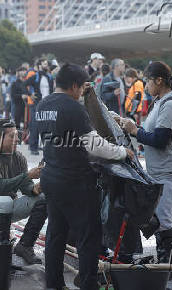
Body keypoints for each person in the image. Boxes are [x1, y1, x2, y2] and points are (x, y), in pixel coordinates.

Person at [34, 63, 133, 290]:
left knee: (55, 234)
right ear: (75, 86)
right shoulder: (73, 108)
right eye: (80, 89)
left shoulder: (42, 105)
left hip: (51, 177)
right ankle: (89, 285)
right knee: (88, 236)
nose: (81, 94)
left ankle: (54, 284)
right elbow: (93, 145)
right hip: (75, 180)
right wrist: (120, 152)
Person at [121, 61, 172, 287]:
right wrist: (131, 127)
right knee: (161, 222)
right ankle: (170, 273)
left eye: (148, 81)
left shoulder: (170, 105)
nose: (146, 85)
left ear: (159, 80)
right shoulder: (160, 102)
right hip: (160, 172)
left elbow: (160, 140)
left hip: (171, 172)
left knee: (165, 222)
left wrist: (135, 130)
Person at [0, 119, 47, 265]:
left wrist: (39, 185)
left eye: (17, 135)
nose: (17, 139)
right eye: (12, 136)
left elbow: (27, 188)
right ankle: (2, 253)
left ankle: (25, 245)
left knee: (43, 199)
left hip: (7, 207)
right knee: (5, 200)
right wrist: (28, 175)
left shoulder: (19, 158)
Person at [26, 58, 55, 155]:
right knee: (35, 125)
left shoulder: (49, 77)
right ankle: (33, 147)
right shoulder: (35, 76)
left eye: (47, 63)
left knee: (47, 126)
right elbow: (24, 84)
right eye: (44, 63)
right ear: (39, 65)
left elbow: (51, 90)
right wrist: (30, 94)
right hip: (37, 104)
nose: (46, 65)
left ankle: (46, 146)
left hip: (47, 104)